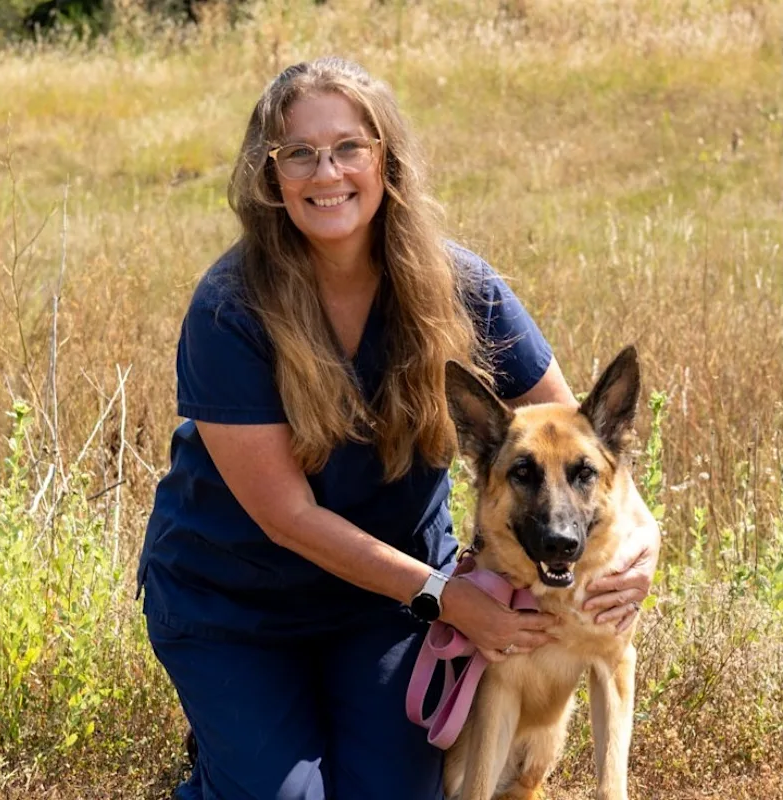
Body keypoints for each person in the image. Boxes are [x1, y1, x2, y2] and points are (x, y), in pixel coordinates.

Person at [137, 56, 660, 800]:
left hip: (383, 605)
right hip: (236, 602)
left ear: (388, 160)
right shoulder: (230, 308)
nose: (329, 172)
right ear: (269, 175)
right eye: (299, 152)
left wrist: (645, 542)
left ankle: (272, 736)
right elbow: (288, 518)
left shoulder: (464, 286)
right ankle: (233, 747)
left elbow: (578, 439)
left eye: (350, 146)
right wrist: (452, 601)